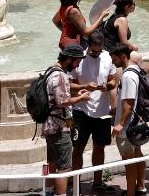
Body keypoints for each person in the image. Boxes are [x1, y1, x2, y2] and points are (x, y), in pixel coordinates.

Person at [44, 44, 90, 196]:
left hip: (50, 125)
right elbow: (62, 101)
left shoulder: (51, 70)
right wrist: (81, 98)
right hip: (59, 127)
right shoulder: (60, 75)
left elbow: (60, 94)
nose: (78, 65)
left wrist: (77, 93)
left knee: (52, 163)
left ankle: (48, 193)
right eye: (77, 61)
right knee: (64, 168)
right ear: (69, 59)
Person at [72, 32, 116, 189]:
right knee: (78, 147)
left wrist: (107, 86)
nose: (96, 54)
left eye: (99, 51)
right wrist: (84, 87)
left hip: (103, 111)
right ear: (88, 46)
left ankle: (97, 182)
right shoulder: (79, 59)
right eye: (93, 51)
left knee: (100, 146)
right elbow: (70, 84)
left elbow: (113, 80)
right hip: (81, 110)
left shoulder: (108, 57)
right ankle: (76, 184)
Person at [110, 43, 147, 196]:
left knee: (129, 162)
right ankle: (140, 187)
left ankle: (131, 193)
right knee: (137, 155)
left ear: (123, 56)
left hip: (127, 128)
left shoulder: (127, 76)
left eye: (115, 59)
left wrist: (120, 124)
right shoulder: (136, 70)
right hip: (135, 124)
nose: (113, 63)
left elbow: (129, 103)